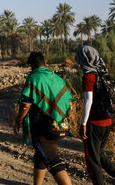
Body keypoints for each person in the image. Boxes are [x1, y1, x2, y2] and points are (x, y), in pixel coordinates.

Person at [74, 45, 115, 185]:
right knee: (99, 153)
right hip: (107, 121)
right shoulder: (104, 73)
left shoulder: (89, 76)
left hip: (94, 123)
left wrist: (83, 123)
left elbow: (88, 102)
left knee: (92, 160)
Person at [13, 51, 73, 185]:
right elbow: (70, 104)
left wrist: (18, 120)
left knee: (53, 161)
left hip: (41, 127)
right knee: (41, 157)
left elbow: (25, 106)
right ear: (45, 63)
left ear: (31, 66)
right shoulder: (57, 78)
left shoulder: (33, 78)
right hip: (57, 124)